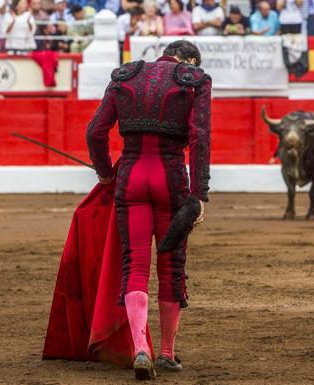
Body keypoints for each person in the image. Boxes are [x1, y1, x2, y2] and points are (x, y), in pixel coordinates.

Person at [86, 39, 210, 380]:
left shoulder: (126, 76)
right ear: (188, 60)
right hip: (170, 180)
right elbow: (200, 138)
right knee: (171, 266)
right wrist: (199, 193)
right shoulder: (195, 79)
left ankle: (141, 348)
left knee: (135, 264)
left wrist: (106, 172)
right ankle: (167, 354)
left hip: (132, 177)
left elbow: (95, 131)